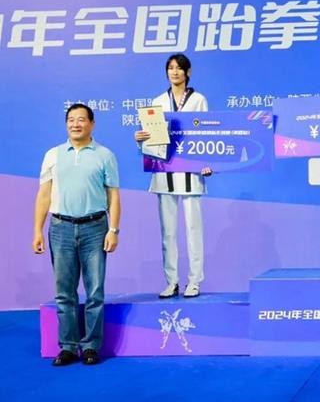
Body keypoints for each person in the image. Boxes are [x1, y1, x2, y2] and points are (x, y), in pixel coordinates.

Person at [33, 103, 121, 366]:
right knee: (65, 292)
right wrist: (37, 230)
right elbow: (44, 195)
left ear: (92, 124)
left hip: (95, 228)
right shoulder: (53, 155)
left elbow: (113, 196)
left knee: (95, 292)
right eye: (71, 119)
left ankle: (91, 346)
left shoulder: (105, 155)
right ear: (66, 124)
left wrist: (113, 230)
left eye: (81, 119)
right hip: (60, 228)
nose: (75, 124)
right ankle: (69, 347)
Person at [135, 53, 212, 298]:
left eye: (179, 68)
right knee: (168, 232)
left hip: (191, 172)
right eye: (170, 68)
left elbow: (207, 134)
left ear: (188, 72)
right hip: (164, 171)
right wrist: (140, 140)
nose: (174, 72)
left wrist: (207, 163)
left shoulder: (198, 100)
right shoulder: (157, 102)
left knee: (193, 229)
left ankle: (194, 281)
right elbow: (151, 138)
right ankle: (172, 281)